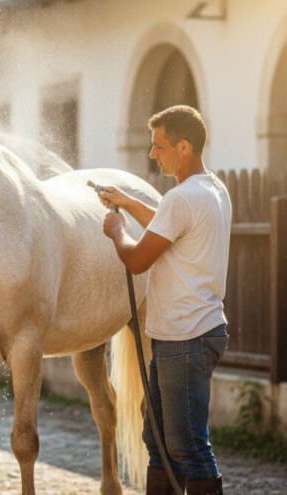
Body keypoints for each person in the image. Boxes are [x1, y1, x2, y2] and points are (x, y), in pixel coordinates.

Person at [98, 105, 231, 495]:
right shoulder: (212, 189)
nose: (153, 154)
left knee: (188, 448)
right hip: (188, 335)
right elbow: (170, 224)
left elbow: (137, 259)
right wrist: (126, 200)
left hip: (185, 339)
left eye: (159, 146)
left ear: (184, 146)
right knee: (158, 445)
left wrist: (117, 229)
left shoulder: (181, 198)